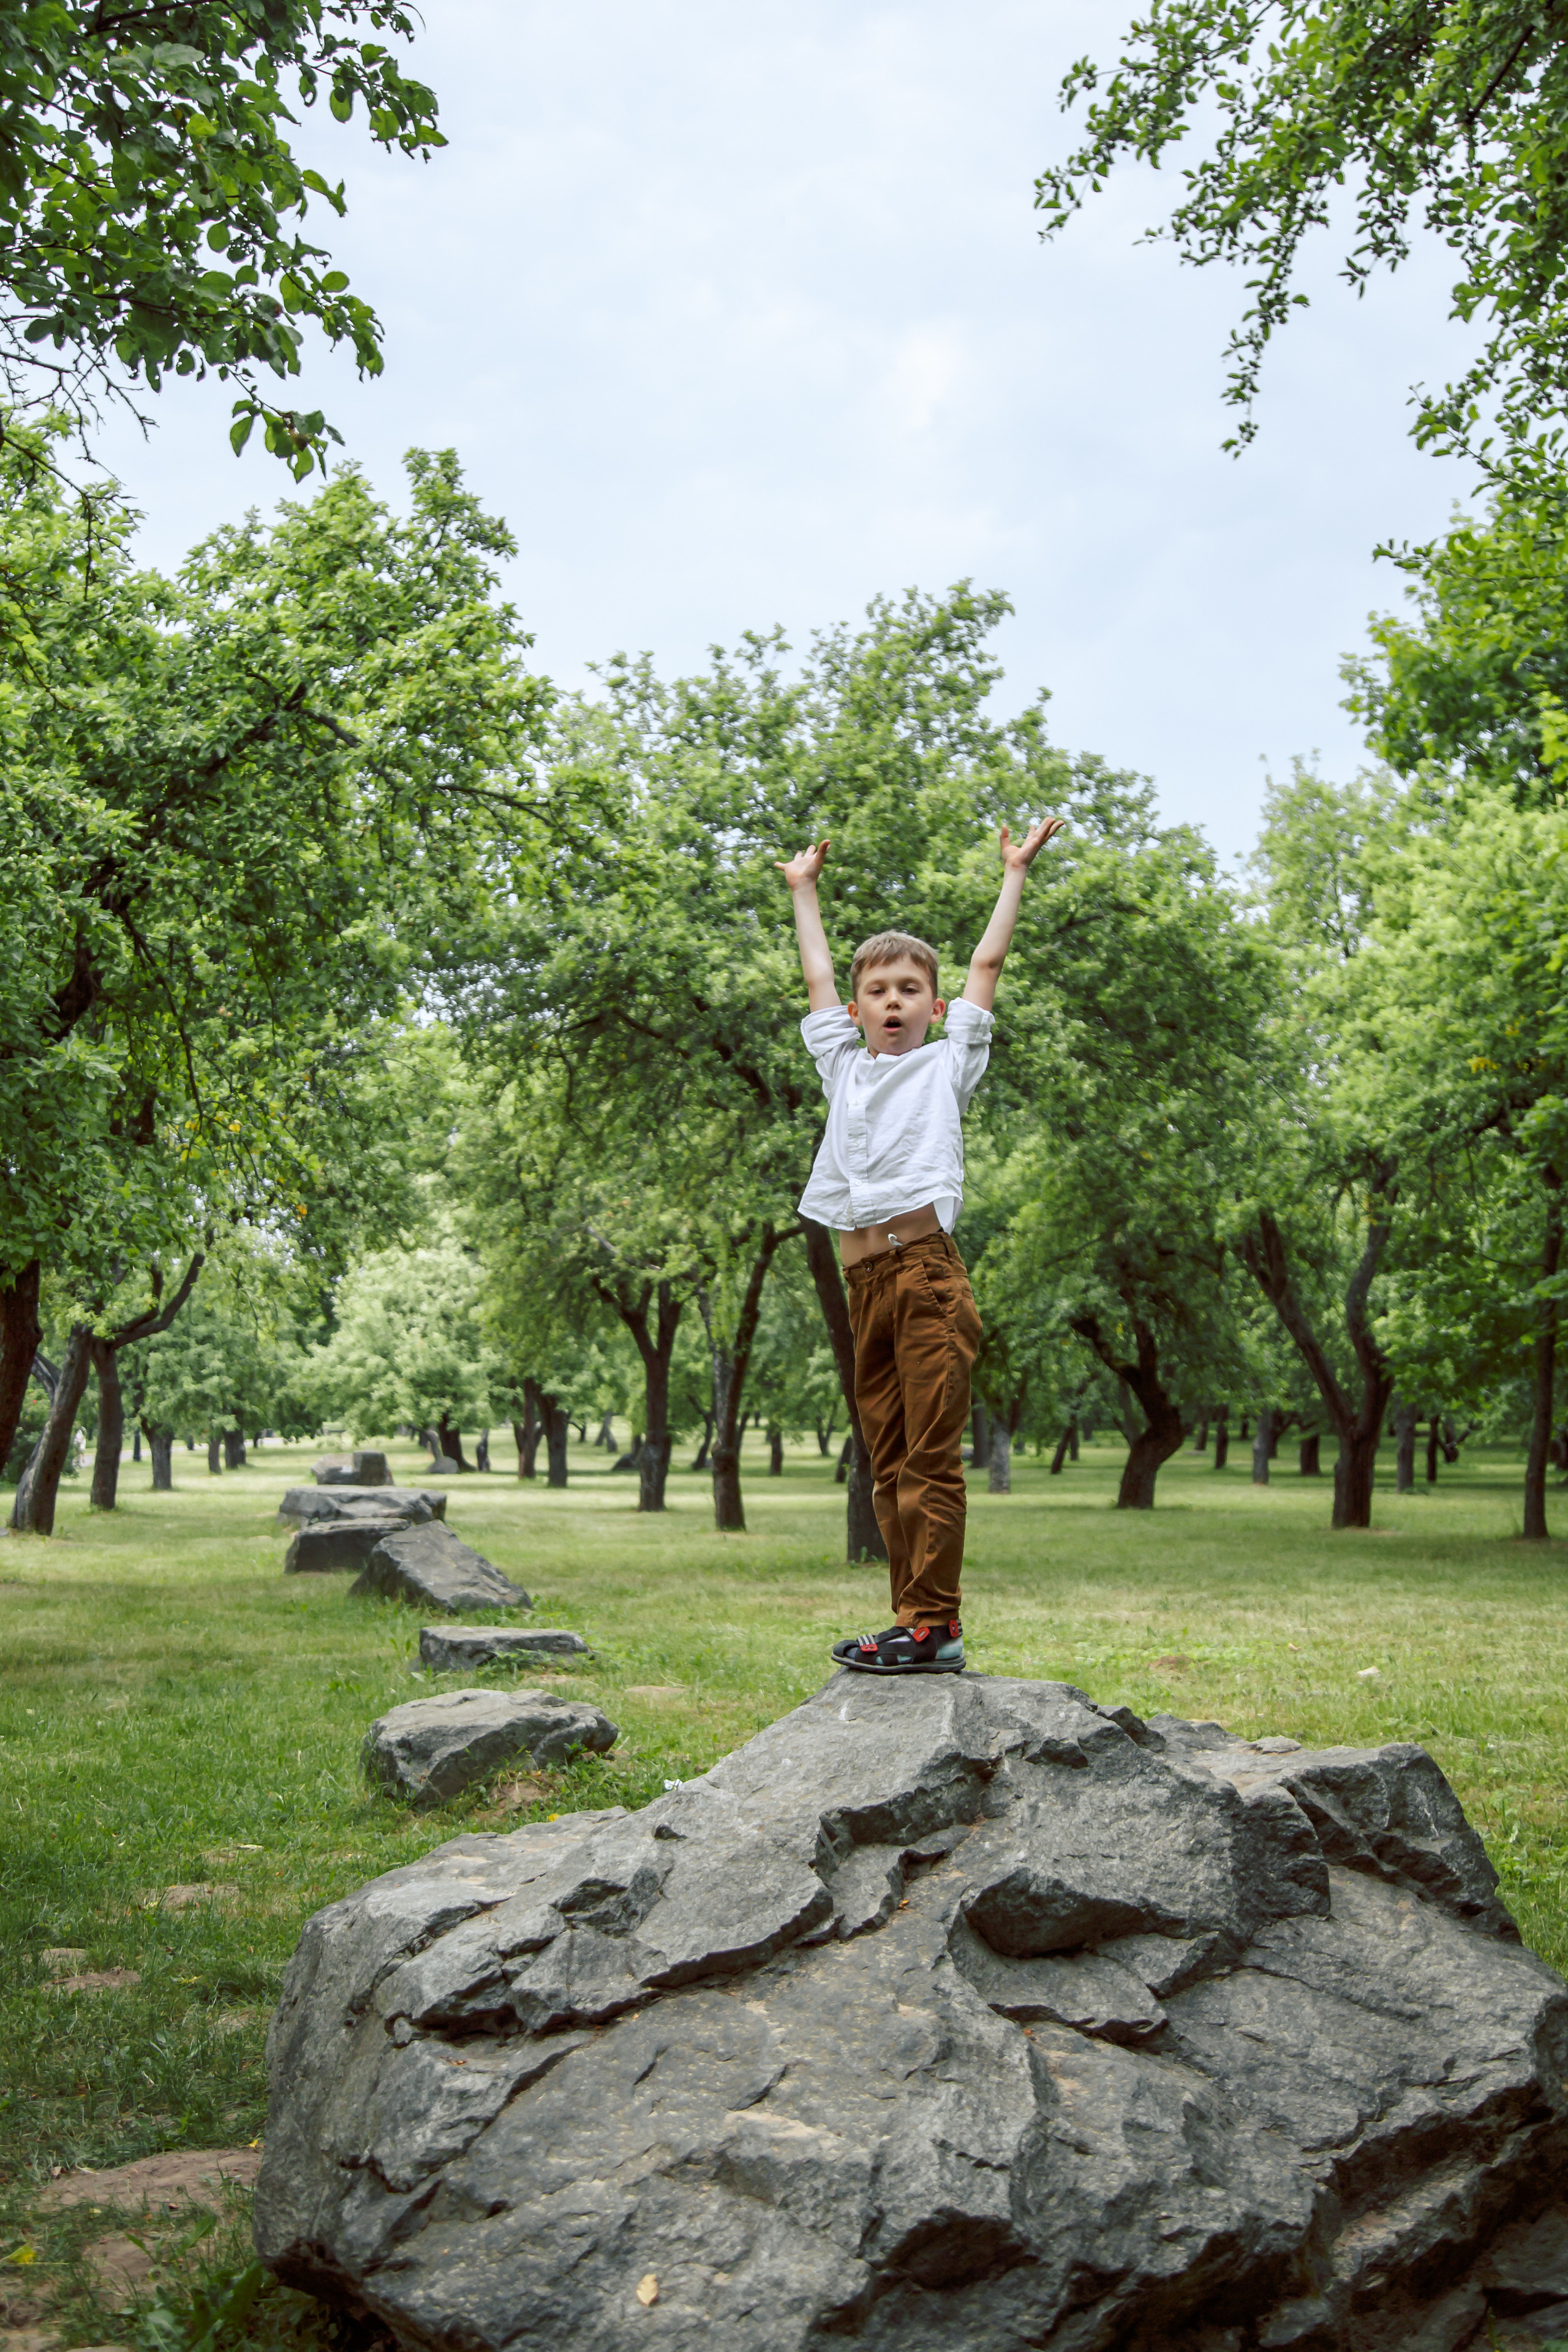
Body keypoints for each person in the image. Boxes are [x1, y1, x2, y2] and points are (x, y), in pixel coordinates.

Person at [777, 819, 1064, 1675]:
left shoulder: (947, 1065)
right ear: (860, 1008)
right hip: (866, 1283)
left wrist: (1013, 874)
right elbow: (816, 972)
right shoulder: (844, 1067)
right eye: (879, 991)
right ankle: (912, 1620)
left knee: (929, 1459)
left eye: (910, 989)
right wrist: (803, 891)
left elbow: (987, 967)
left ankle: (937, 1624)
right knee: (888, 1462)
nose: (893, 1001)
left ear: (933, 1009)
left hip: (926, 1276)